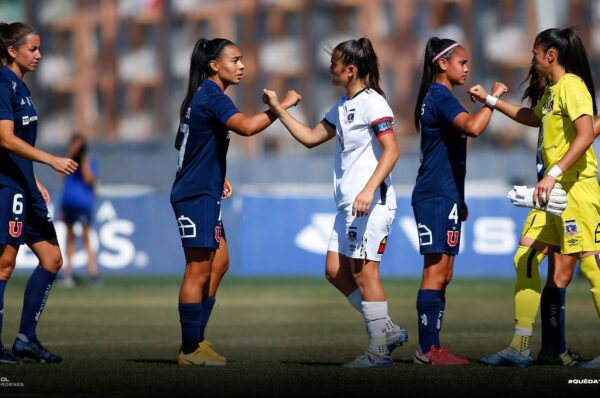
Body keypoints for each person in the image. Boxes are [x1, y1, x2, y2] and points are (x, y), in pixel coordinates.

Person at [264, 37, 408, 368]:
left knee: (365, 274)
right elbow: (311, 138)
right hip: (348, 205)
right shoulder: (343, 106)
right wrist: (278, 111)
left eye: (335, 64)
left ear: (351, 69)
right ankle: (385, 328)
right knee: (334, 270)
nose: (330, 69)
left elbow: (393, 150)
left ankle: (378, 350)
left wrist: (370, 189)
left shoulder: (373, 103)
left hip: (371, 202)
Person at [471, 27, 600, 367]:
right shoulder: (555, 91)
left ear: (550, 55)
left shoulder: (573, 86)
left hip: (575, 188)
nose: (532, 58)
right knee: (525, 259)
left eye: (534, 53)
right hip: (552, 191)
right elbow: (533, 117)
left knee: (593, 267)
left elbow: (586, 134)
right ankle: (520, 346)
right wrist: (491, 101)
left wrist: (553, 173)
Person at [171, 37, 301, 366]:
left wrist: (216, 174)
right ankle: (190, 349)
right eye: (235, 60)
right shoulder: (212, 96)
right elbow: (245, 128)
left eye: (242, 60)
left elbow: (186, 145)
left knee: (220, 262)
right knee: (197, 270)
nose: (242, 66)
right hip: (194, 195)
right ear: (214, 66)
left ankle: (196, 340)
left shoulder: (205, 96)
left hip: (204, 190)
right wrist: (280, 107)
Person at [411, 37, 506, 365]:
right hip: (435, 194)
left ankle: (433, 347)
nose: (467, 68)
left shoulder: (439, 97)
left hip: (445, 195)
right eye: (462, 63)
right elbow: (473, 128)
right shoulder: (440, 97)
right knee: (435, 272)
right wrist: (492, 100)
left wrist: (459, 199)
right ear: (442, 64)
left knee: (444, 272)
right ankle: (427, 350)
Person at [0, 22, 78, 364]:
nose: (39, 55)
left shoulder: (21, 86)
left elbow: (18, 145)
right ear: (12, 51)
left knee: (52, 260)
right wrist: (49, 160)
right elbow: (4, 138)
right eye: (32, 49)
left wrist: (33, 177)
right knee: (3, 264)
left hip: (24, 183)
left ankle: (25, 340)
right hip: (7, 186)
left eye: (39, 48)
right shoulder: (3, 83)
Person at [58, 133, 100, 288]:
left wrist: (82, 160)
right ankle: (68, 273)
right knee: (69, 238)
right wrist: (70, 155)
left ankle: (93, 273)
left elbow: (89, 179)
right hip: (68, 202)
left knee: (86, 238)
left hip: (83, 203)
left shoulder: (90, 161)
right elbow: (61, 177)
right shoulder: (67, 160)